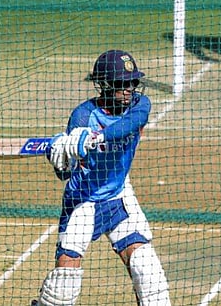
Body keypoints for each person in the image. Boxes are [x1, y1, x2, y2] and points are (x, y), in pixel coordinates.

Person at [31, 50, 171, 306]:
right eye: (121, 84)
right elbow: (65, 172)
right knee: (62, 287)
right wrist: (60, 153)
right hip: (83, 200)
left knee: (148, 273)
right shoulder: (83, 116)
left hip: (119, 196)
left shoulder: (140, 105)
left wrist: (97, 137)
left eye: (133, 82)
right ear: (105, 85)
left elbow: (128, 126)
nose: (129, 89)